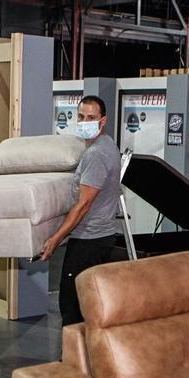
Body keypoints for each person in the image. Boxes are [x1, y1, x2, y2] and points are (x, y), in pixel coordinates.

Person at [40, 95, 121, 326]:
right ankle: (83, 358)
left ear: (102, 121)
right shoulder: (106, 145)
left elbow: (84, 205)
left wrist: (55, 239)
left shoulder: (96, 155)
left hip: (89, 241)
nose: (84, 122)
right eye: (81, 117)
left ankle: (73, 360)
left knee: (72, 305)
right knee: (88, 305)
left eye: (91, 118)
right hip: (98, 238)